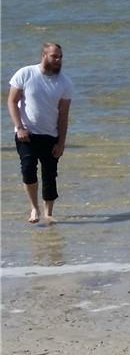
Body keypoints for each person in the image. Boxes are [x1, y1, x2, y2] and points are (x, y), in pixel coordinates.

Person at [9, 42, 75, 226]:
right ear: (44, 55)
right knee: (28, 169)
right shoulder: (25, 73)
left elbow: (63, 116)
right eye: (54, 56)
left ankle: (48, 213)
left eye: (60, 57)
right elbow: (12, 101)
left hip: (50, 135)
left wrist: (61, 143)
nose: (58, 60)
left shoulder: (65, 83)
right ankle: (34, 208)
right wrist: (19, 127)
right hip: (26, 134)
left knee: (50, 175)